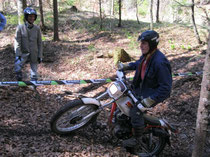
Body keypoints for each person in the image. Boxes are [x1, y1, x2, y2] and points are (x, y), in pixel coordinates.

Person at [119, 30, 172, 152]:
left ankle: (137, 139)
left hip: (151, 94)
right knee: (123, 99)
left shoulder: (160, 62)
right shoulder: (147, 56)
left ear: (152, 44)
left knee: (135, 110)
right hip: (140, 88)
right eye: (141, 43)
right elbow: (139, 63)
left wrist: (150, 100)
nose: (141, 46)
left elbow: (166, 88)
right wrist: (127, 66)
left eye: (144, 43)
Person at [14, 7, 43, 81]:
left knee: (34, 71)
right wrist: (18, 53)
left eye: (33, 16)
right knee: (17, 66)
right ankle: (19, 82)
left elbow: (40, 43)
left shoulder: (37, 29)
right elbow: (17, 41)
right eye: (30, 16)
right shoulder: (20, 28)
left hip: (34, 53)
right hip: (23, 52)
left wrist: (40, 55)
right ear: (26, 17)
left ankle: (33, 86)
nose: (32, 18)